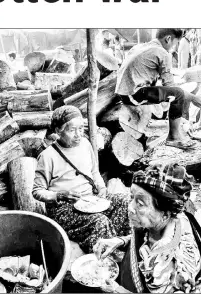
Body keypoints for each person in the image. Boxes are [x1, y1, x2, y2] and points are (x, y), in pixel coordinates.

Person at [93, 163, 201, 293]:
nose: (130, 207)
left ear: (165, 214)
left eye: (140, 203)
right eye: (132, 197)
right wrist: (119, 241)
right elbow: (145, 237)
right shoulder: (172, 217)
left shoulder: (165, 264)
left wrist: (117, 290)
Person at [32, 105, 131, 253]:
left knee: (125, 202)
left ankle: (125, 243)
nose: (78, 134)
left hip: (90, 200)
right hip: (63, 209)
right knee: (100, 221)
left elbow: (94, 171)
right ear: (58, 131)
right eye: (72, 130)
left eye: (81, 128)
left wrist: (102, 188)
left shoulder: (85, 144)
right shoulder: (47, 156)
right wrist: (59, 195)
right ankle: (104, 255)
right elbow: (37, 191)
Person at [115, 29, 201, 150]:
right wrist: (193, 97)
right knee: (178, 94)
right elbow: (171, 87)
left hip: (122, 93)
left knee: (168, 93)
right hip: (133, 94)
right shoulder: (162, 53)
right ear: (168, 39)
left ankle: (173, 130)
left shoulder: (140, 47)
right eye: (175, 43)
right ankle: (174, 137)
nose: (174, 47)